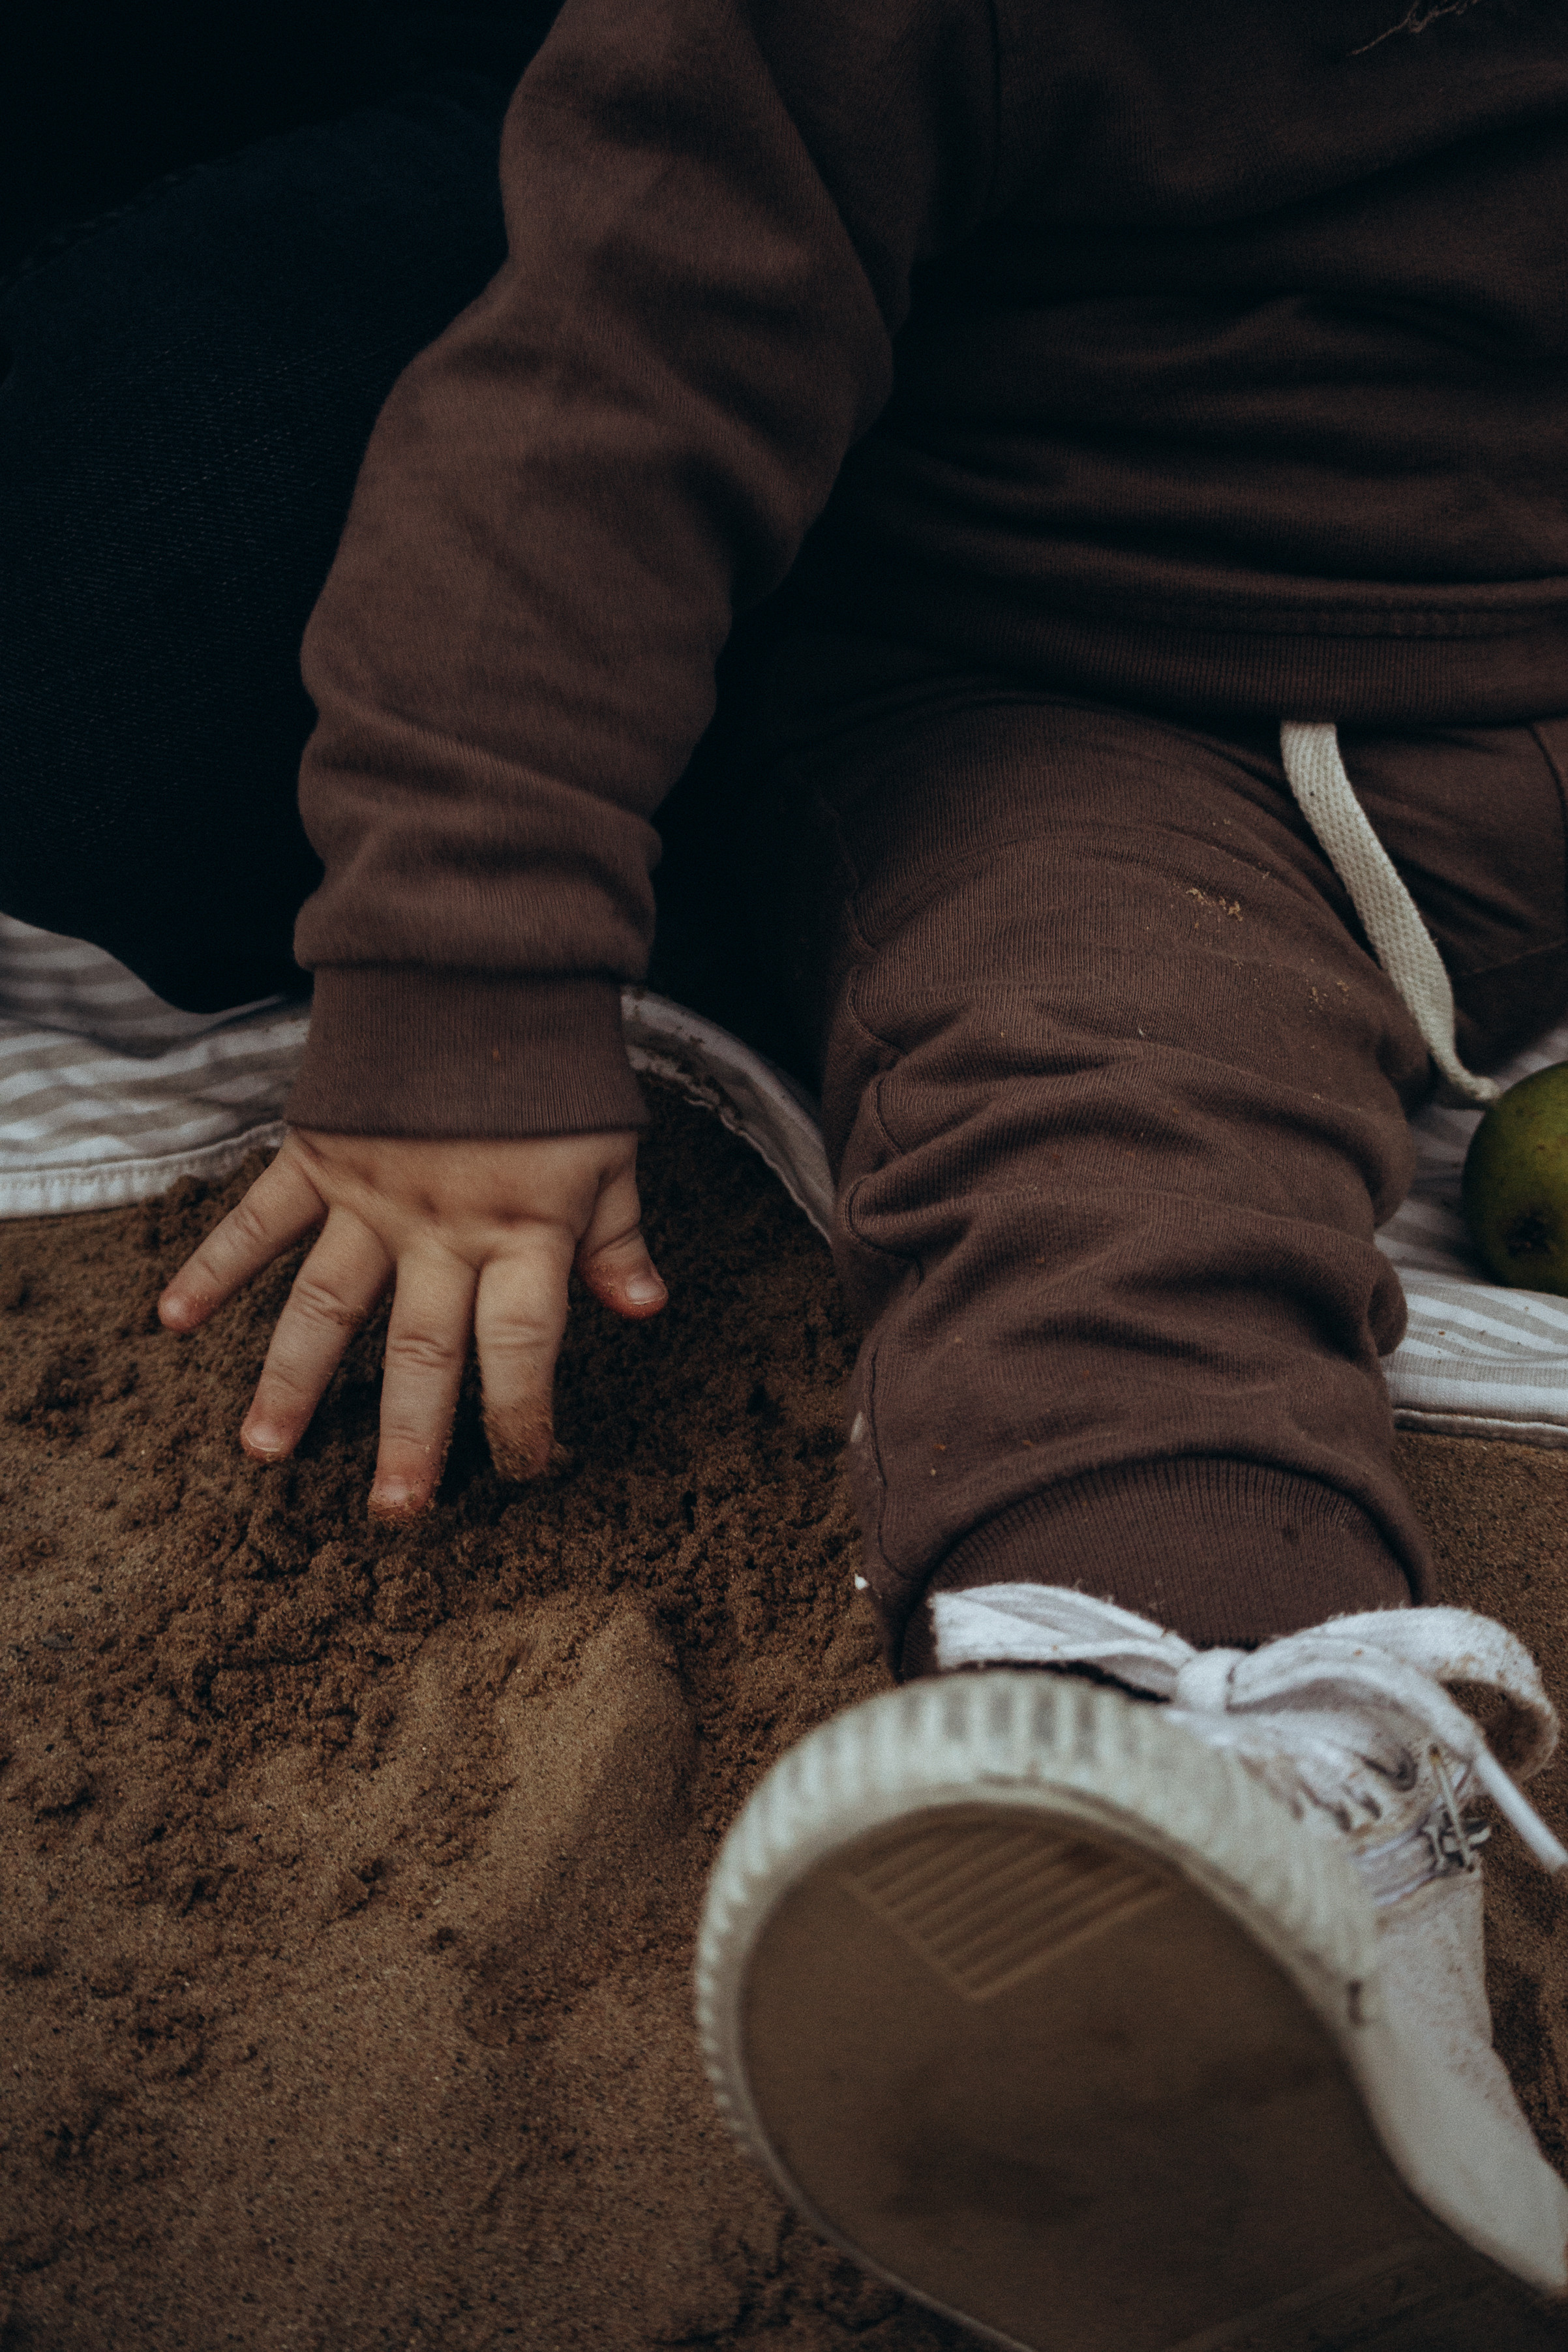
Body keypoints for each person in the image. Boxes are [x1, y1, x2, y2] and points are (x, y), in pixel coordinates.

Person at [8, 0, 1568, 2340]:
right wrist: (461, 972)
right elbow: (585, 411)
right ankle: (1233, 1805)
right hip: (1082, 693)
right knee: (1104, 1123)